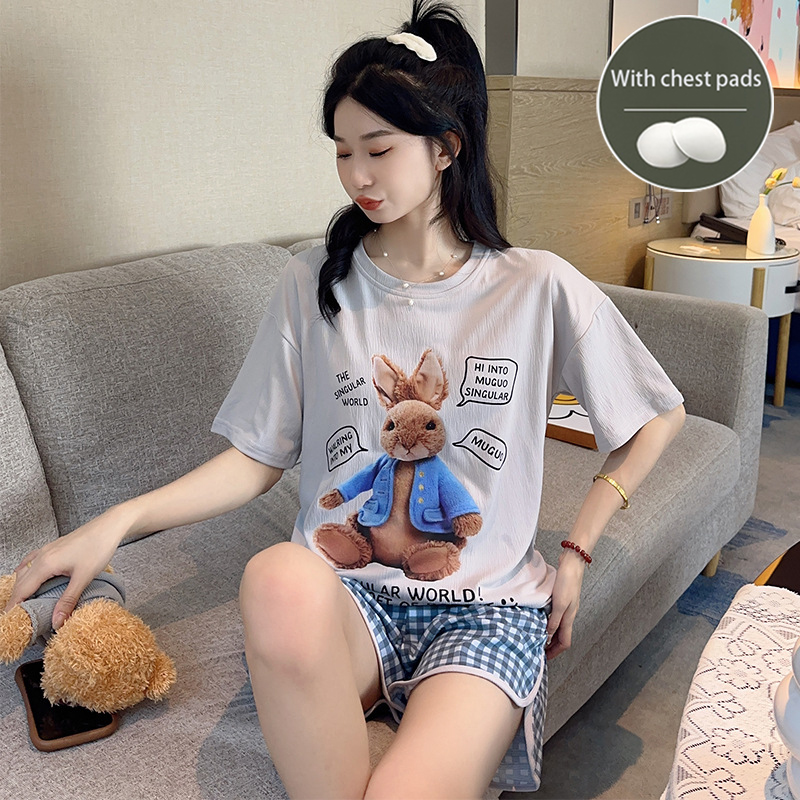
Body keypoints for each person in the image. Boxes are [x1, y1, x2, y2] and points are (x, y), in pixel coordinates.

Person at [5, 1, 686, 797]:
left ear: (446, 148)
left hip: (486, 609)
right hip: (348, 601)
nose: (358, 176)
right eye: (341, 151)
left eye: (379, 149)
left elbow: (657, 415)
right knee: (275, 575)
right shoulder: (313, 284)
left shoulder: (537, 286)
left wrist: (577, 551)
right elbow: (256, 459)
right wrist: (115, 523)